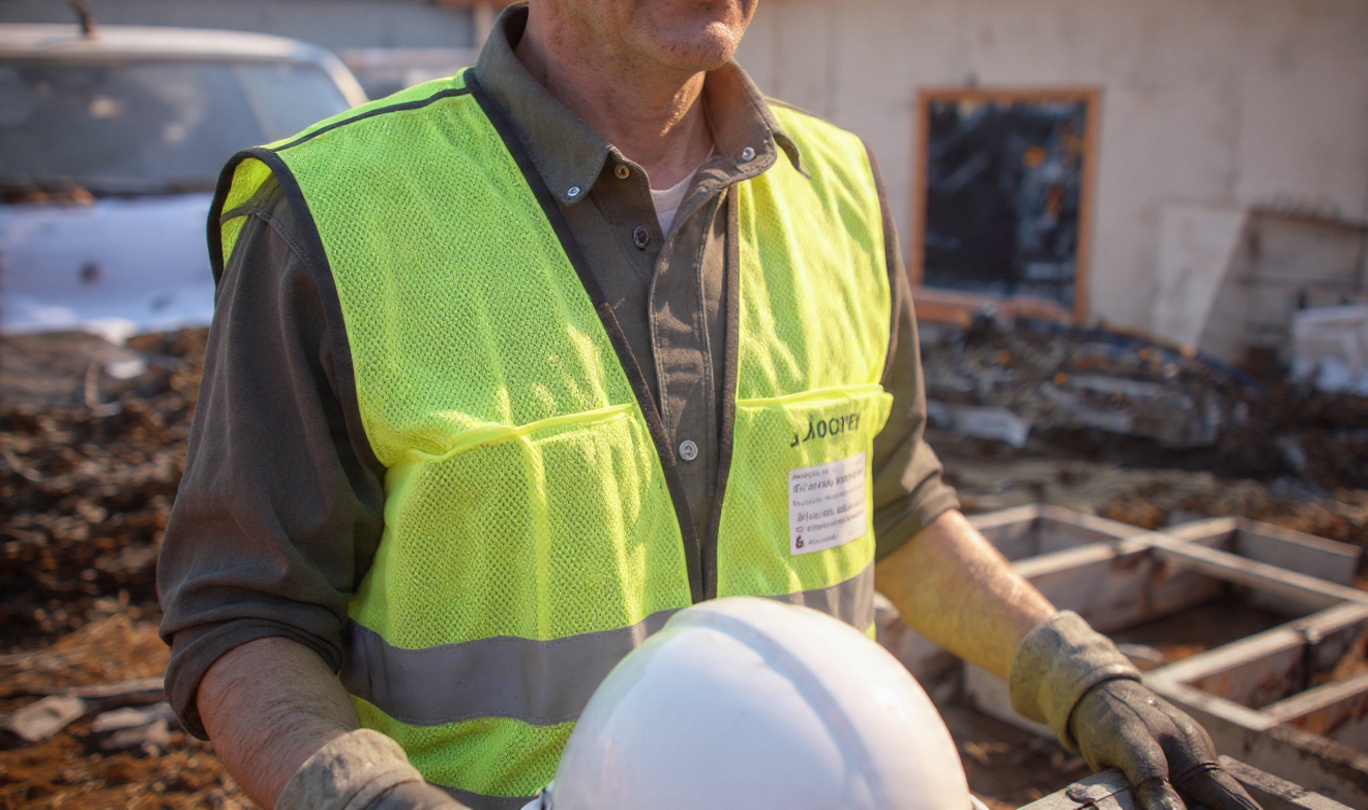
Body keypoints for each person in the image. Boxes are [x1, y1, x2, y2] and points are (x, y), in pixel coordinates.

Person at [157, 3, 1261, 810]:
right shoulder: (340, 214)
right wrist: (366, 797)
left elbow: (898, 509)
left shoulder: (836, 187)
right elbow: (244, 614)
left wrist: (1077, 671)